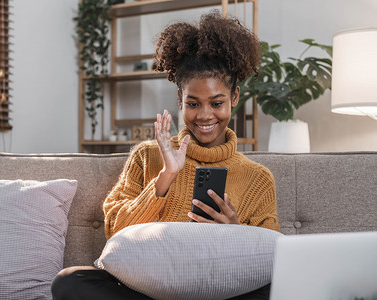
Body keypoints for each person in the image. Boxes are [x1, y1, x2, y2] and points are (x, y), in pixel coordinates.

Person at [52, 11, 279, 300]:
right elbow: (115, 232)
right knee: (70, 282)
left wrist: (236, 233)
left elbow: (272, 261)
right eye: (193, 103)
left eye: (217, 102)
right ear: (180, 100)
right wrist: (165, 178)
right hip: (146, 293)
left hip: (221, 292)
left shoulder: (258, 179)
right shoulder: (147, 155)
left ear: (234, 97)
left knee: (279, 289)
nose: (205, 115)